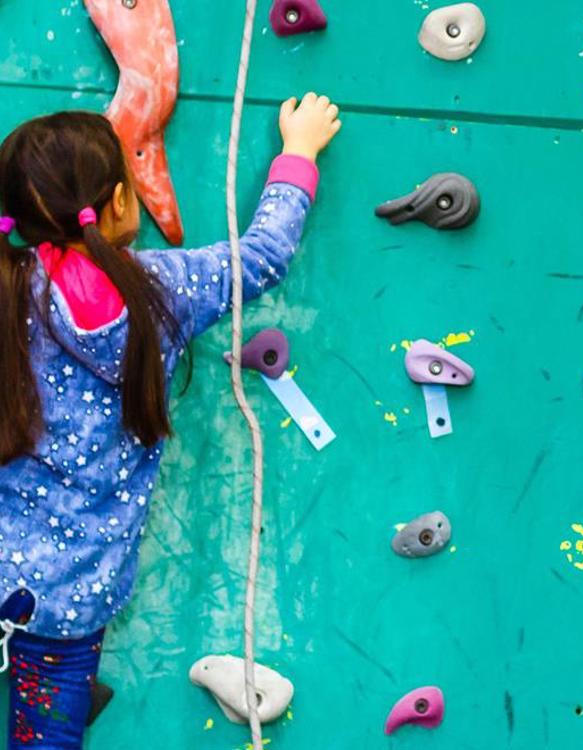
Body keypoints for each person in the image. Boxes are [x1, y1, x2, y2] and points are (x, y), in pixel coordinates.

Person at [0, 91, 341, 749]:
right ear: (123, 203)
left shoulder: (10, 292)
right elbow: (263, 255)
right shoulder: (165, 289)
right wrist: (298, 151)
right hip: (72, 605)